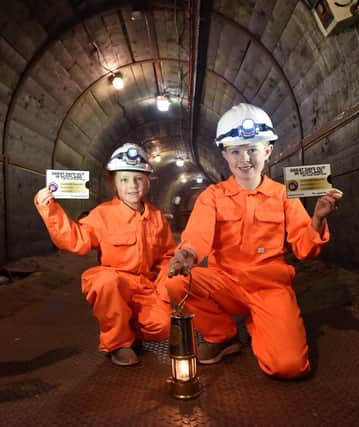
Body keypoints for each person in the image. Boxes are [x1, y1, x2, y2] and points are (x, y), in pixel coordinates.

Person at [164, 103, 343, 379]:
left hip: (269, 288)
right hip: (226, 284)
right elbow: (197, 235)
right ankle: (223, 335)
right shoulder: (213, 196)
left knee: (289, 367)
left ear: (268, 151)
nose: (244, 158)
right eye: (235, 151)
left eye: (252, 149)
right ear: (224, 154)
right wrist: (186, 255)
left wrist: (317, 219)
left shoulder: (283, 195)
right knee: (174, 281)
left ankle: (263, 322)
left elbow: (304, 248)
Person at [35, 143, 175, 366]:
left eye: (138, 178)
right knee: (105, 280)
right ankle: (118, 344)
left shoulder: (157, 217)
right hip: (116, 283)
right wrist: (50, 209)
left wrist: (163, 286)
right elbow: (76, 240)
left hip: (145, 287)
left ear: (148, 181)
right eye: (124, 179)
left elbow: (168, 255)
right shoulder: (102, 214)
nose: (132, 186)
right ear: (113, 184)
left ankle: (132, 334)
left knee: (164, 326)